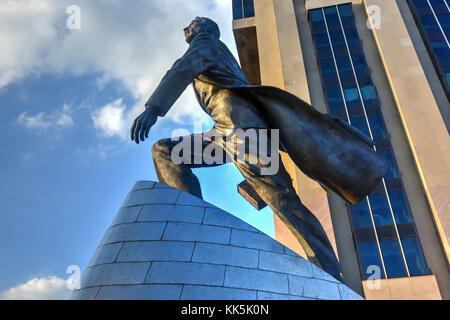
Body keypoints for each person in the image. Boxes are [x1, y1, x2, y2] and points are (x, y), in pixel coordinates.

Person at [130, 17, 346, 280]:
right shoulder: (216, 50)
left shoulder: (206, 42)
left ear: (206, 29)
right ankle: (192, 224)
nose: (187, 28)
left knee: (284, 201)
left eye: (193, 24)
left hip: (242, 130)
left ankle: (329, 273)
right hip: (224, 130)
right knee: (166, 151)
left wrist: (152, 110)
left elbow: (182, 68)